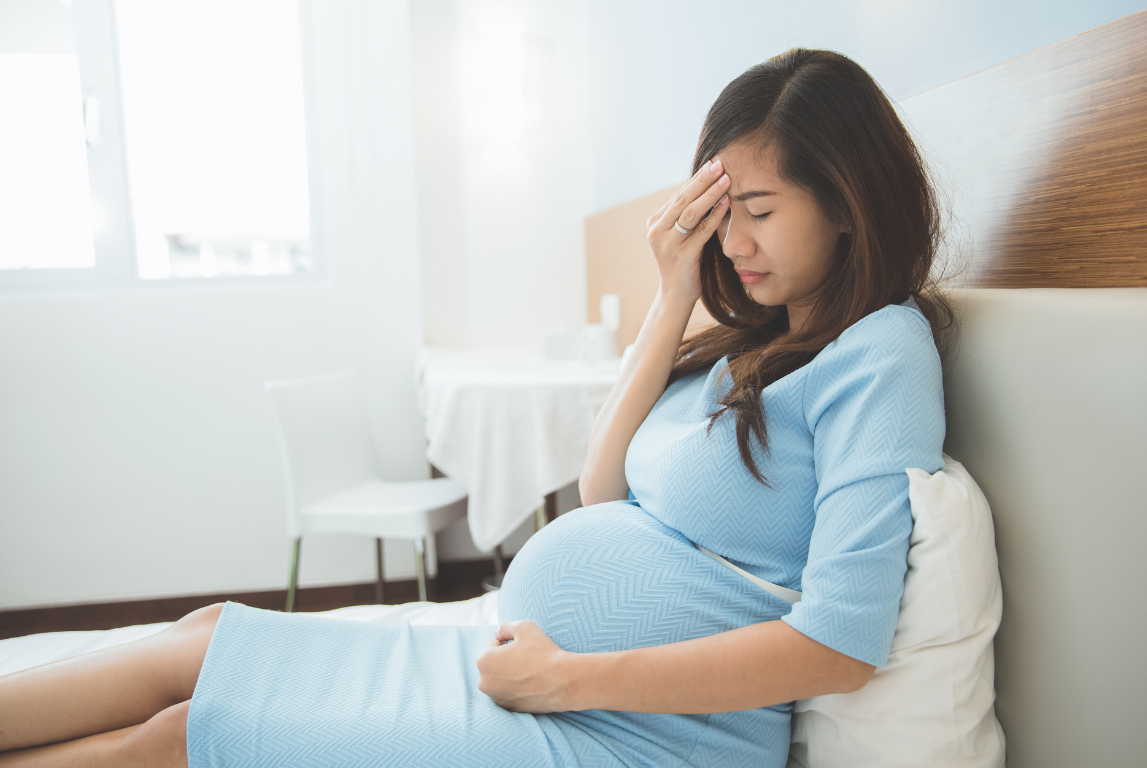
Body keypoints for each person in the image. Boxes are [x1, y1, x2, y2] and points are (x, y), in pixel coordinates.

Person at [0, 47, 949, 768]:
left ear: (845, 203)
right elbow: (601, 488)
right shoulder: (751, 346)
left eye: (760, 211)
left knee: (185, 735)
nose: (732, 242)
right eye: (719, 212)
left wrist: (567, 677)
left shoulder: (878, 353)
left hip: (640, 734)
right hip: (546, 683)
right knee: (206, 637)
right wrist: (671, 297)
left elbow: (839, 645)